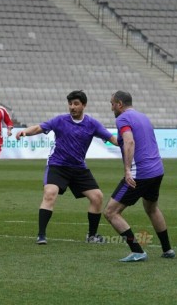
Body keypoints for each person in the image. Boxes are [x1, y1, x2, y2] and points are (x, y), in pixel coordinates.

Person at [15, 90, 117, 245]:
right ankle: (41, 235)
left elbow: (112, 139)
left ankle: (92, 236)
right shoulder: (60, 120)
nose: (72, 107)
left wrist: (127, 141)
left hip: (78, 168)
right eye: (70, 104)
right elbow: (38, 128)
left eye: (76, 104)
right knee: (50, 193)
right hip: (58, 165)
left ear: (84, 105)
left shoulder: (92, 124)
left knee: (97, 197)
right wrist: (24, 132)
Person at [104, 90, 175, 262]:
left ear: (119, 104)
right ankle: (167, 249)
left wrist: (128, 169)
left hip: (140, 173)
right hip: (157, 170)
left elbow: (129, 141)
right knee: (151, 208)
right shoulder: (142, 116)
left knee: (111, 212)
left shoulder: (122, 119)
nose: (111, 107)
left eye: (112, 104)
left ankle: (137, 250)